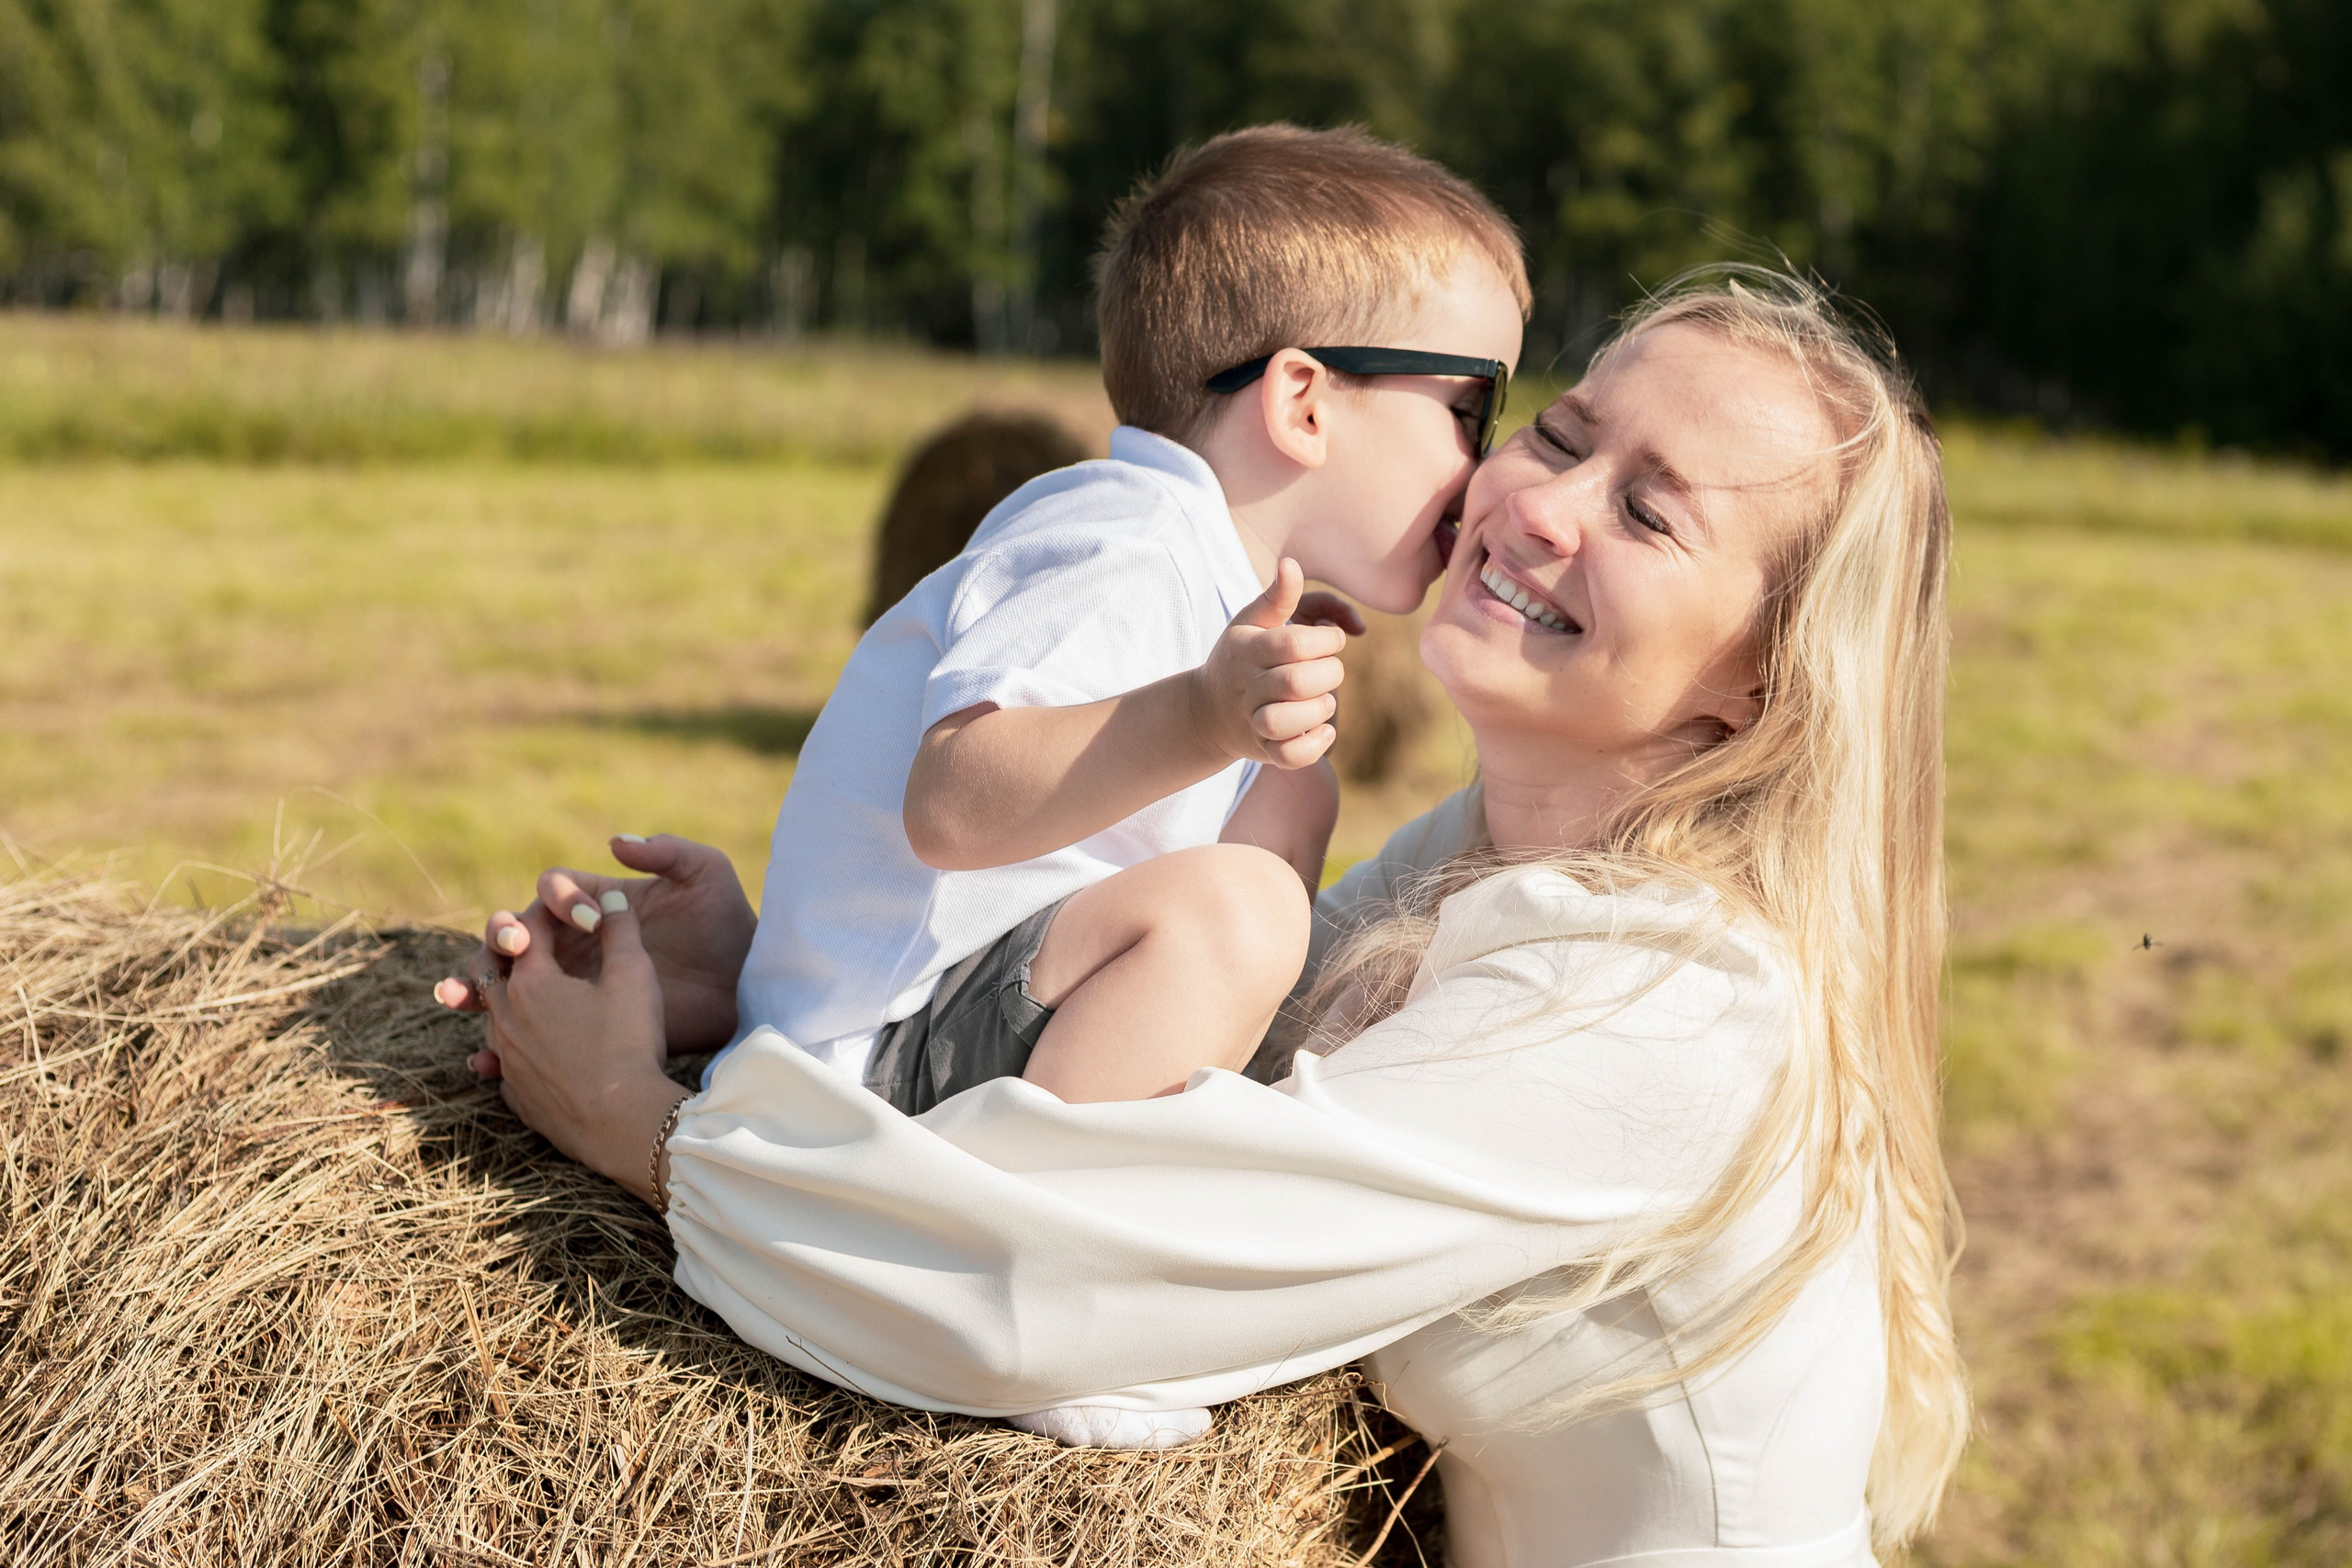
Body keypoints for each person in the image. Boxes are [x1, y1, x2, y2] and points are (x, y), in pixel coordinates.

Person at [458, 272, 1970, 1566]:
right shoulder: (1472, 868)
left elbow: (1059, 1268)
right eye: (1562, 433)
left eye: (1646, 511)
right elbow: (1157, 1043)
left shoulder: (1663, 1012)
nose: (1538, 504)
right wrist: (798, 976)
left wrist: (642, 1127)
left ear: (1758, 684)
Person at [444, 123, 1526, 1120]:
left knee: (1293, 792)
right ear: (1301, 403)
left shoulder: (1192, 573)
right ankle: (1019, 1233)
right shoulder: (1122, 540)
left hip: (973, 1027)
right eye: (1471, 410)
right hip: (877, 1067)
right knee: (1245, 908)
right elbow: (954, 803)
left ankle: (1187, 1132)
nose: (1488, 469)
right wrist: (1202, 713)